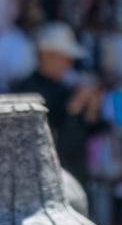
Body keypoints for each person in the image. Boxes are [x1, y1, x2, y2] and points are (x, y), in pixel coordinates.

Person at [18, 22, 100, 186]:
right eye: (64, 56)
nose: (69, 63)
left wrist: (92, 110)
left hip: (76, 175)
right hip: (43, 181)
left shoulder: (66, 89)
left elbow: (86, 133)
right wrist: (70, 109)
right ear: (46, 54)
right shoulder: (25, 90)